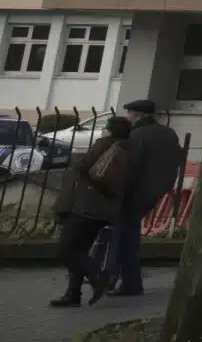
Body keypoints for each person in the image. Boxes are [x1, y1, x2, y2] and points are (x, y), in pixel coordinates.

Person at [50, 115, 132, 307]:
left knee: (66, 249)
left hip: (86, 206)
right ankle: (73, 294)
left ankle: (97, 278)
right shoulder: (128, 149)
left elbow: (84, 168)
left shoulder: (105, 144)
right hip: (103, 209)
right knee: (80, 250)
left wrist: (76, 159)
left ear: (109, 130)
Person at [107, 100, 183, 296]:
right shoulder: (169, 134)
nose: (127, 117)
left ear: (139, 116)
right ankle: (128, 281)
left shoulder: (137, 135)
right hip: (156, 190)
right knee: (128, 234)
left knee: (120, 236)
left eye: (130, 113)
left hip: (133, 192)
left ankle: (114, 277)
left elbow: (131, 166)